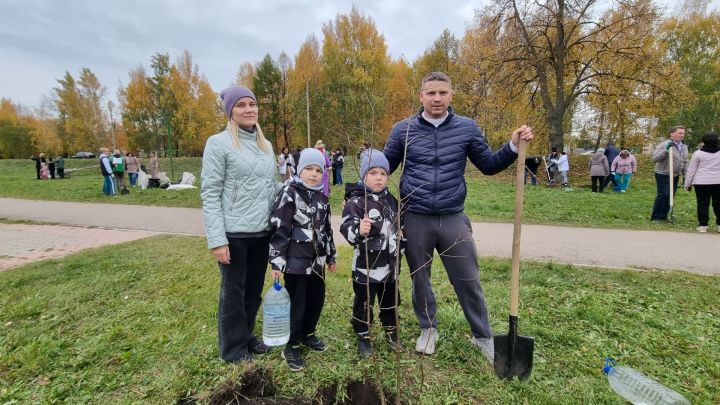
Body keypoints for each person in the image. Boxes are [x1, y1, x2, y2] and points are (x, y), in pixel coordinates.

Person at [383, 71, 534, 362]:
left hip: (453, 217)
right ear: (421, 96)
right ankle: (428, 328)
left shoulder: (467, 128)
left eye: (442, 92)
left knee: (468, 278)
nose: (436, 98)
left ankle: (483, 336)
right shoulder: (403, 130)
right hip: (415, 217)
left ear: (451, 95)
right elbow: (384, 167)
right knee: (420, 280)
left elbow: (489, 165)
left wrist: (513, 146)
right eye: (430, 93)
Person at [201, 85, 279, 364]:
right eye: (241, 105)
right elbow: (210, 193)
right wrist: (217, 239)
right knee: (233, 293)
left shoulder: (265, 145)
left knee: (253, 290)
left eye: (252, 104)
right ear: (231, 113)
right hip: (233, 234)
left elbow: (272, 187)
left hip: (261, 232)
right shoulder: (218, 143)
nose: (249, 110)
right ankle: (233, 350)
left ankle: (246, 337)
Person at [269, 147, 337, 371]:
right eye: (309, 168)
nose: (314, 174)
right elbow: (280, 229)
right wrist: (277, 261)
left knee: (316, 299)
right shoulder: (290, 193)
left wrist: (331, 255)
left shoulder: (322, 196)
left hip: (317, 262)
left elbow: (327, 228)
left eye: (319, 170)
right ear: (299, 170)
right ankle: (292, 344)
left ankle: (309, 332)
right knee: (297, 303)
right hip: (296, 262)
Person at [340, 149, 402, 358]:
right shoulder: (356, 202)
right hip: (365, 268)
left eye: (383, 174)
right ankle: (363, 335)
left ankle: (391, 333)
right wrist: (359, 230)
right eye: (373, 173)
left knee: (390, 302)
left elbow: (398, 227)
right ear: (363, 175)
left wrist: (402, 237)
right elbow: (347, 229)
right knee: (364, 303)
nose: (378, 178)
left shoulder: (392, 201)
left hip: (390, 267)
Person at [683, 132, 720, 233]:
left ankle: (703, 225)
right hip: (718, 182)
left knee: (702, 203)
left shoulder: (698, 154)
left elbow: (691, 170)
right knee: (718, 204)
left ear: (704, 141)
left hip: (701, 182)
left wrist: (687, 184)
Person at [651, 126, 689, 222]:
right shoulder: (664, 144)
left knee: (671, 196)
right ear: (672, 134)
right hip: (663, 173)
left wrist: (686, 177)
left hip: (675, 174)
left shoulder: (684, 147)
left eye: (683, 133)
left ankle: (663, 216)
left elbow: (685, 162)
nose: (682, 135)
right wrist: (666, 150)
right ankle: (656, 217)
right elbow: (655, 159)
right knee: (663, 194)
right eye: (680, 133)